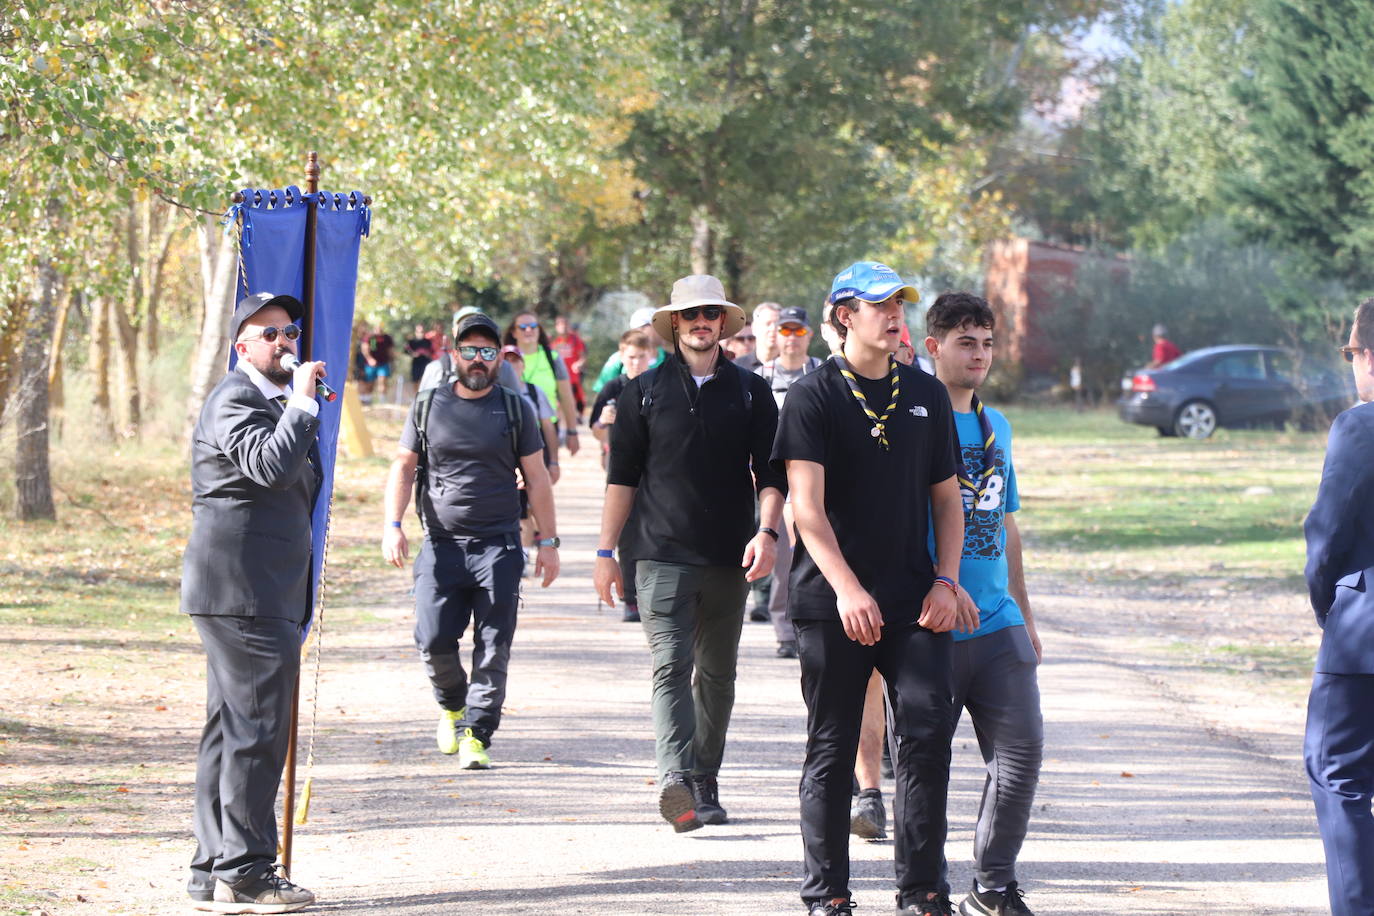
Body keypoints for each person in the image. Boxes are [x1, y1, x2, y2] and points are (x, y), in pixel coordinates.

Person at [772, 261, 973, 916]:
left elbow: (948, 502)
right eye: (879, 304)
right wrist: (848, 590)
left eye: (900, 305)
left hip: (915, 600)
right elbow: (806, 507)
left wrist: (946, 580)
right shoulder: (812, 396)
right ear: (843, 315)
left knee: (924, 734)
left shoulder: (926, 394)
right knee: (831, 748)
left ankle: (923, 891)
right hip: (833, 602)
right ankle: (826, 893)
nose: (895, 315)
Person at [593, 274, 784, 832]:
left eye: (711, 314)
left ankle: (705, 777)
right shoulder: (643, 392)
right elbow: (622, 478)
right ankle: (675, 779)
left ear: (724, 323)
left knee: (718, 675)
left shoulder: (751, 393)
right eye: (691, 314)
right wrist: (606, 551)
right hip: (658, 556)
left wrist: (767, 534)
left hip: (731, 556)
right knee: (670, 667)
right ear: (674, 323)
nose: (702, 323)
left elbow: (772, 474)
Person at [182, 291, 325, 913]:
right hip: (242, 590)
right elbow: (269, 469)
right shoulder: (236, 398)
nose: (283, 342)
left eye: (289, 332)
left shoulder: (269, 401)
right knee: (258, 731)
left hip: (259, 589)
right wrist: (300, 404)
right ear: (241, 346)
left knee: (230, 730)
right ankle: (246, 871)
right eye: (268, 334)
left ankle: (211, 868)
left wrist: (296, 406)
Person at [382, 313, 560, 771]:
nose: (478, 360)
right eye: (469, 351)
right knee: (433, 638)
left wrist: (548, 540)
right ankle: (453, 707)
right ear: (452, 354)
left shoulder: (514, 407)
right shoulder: (427, 405)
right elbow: (403, 467)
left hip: (498, 545)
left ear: (500, 356)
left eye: (487, 352)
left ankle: (477, 734)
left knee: (494, 643)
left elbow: (537, 477)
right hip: (441, 544)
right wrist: (393, 524)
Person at [924, 292, 1044, 916]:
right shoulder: (913, 421)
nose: (980, 355)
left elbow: (1007, 524)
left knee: (1020, 761)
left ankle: (992, 886)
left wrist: (1024, 612)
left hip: (999, 625)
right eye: (966, 342)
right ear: (933, 346)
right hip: (933, 627)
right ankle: (926, 889)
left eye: (988, 343)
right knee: (926, 773)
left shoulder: (998, 426)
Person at [1303, 296, 1374, 916]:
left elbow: (1327, 534)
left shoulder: (1361, 425)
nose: (1350, 361)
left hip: (1364, 634)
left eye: (1351, 351)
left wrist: (1331, 609)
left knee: (1338, 773)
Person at [755, 306, 825, 658]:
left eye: (798, 332)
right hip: (776, 479)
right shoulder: (760, 377)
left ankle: (813, 625)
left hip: (816, 478)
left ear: (809, 335)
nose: (792, 339)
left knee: (816, 555)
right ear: (775, 335)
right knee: (784, 558)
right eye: (785, 332)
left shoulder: (823, 375)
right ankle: (784, 631)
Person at [589, 329, 655, 623]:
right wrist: (603, 422)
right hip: (620, 470)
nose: (636, 363)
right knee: (625, 535)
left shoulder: (658, 385)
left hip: (656, 471)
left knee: (654, 532)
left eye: (641, 357)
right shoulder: (613, 388)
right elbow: (594, 428)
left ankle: (651, 595)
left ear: (650, 356)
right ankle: (630, 598)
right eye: (631, 357)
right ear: (621, 355)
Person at [503, 310, 581, 455]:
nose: (529, 330)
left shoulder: (553, 358)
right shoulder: (504, 359)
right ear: (513, 332)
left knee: (545, 475)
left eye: (533, 326)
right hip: (510, 429)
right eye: (523, 327)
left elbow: (566, 397)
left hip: (546, 429)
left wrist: (572, 431)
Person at [419, 307, 524, 394]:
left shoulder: (504, 368)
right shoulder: (435, 369)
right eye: (463, 323)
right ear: (453, 330)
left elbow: (517, 406)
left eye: (475, 322)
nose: (477, 359)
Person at [591, 306, 668, 394]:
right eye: (658, 326)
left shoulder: (670, 359)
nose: (663, 331)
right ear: (642, 329)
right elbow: (602, 396)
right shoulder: (617, 361)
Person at [551, 314, 589, 414]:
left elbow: (583, 356)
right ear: (556, 327)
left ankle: (576, 419)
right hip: (558, 377)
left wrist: (579, 364)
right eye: (560, 324)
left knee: (575, 399)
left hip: (573, 378)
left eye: (565, 324)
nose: (563, 326)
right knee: (559, 401)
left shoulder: (575, 340)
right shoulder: (554, 342)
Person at [359, 322, 395, 402]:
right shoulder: (370, 337)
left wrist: (392, 359)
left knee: (382, 380)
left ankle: (382, 400)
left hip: (383, 363)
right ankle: (368, 400)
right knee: (370, 383)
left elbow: (390, 350)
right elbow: (364, 349)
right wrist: (369, 359)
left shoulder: (387, 338)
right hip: (370, 365)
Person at [404, 323, 436, 399]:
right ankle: (416, 398)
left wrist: (427, 353)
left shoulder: (428, 341)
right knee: (415, 381)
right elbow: (406, 351)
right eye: (418, 331)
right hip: (416, 364)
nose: (420, 333)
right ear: (415, 332)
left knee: (424, 381)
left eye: (422, 331)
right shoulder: (411, 342)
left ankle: (423, 398)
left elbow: (432, 351)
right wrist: (413, 354)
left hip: (425, 364)